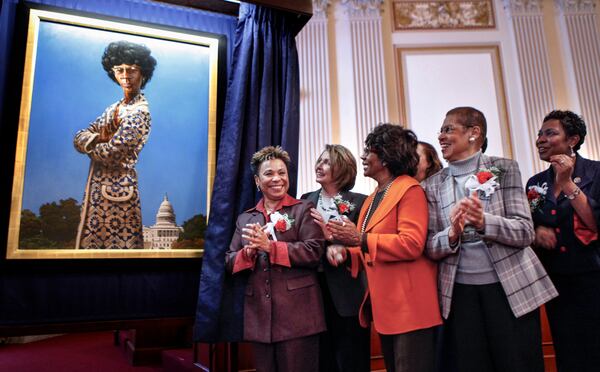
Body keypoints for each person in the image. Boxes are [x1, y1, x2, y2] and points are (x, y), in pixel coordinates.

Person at [422, 106, 557, 372]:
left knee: (517, 363)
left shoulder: (504, 168)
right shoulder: (432, 184)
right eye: (441, 130)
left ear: (474, 133)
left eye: (448, 129)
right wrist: (451, 234)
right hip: (460, 294)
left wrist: (485, 222)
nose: (441, 136)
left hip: (509, 289)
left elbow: (524, 232)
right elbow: (429, 245)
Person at [327, 124, 441, 372]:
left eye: (369, 151)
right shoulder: (373, 196)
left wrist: (360, 240)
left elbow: (411, 244)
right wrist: (345, 253)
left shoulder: (409, 189)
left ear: (387, 156)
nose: (363, 157)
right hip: (388, 308)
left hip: (410, 308)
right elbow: (366, 243)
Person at [225, 146, 326, 372]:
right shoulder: (245, 218)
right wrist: (247, 253)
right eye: (269, 173)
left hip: (299, 316)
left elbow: (313, 252)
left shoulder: (303, 209)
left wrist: (270, 247)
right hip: (259, 317)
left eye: (282, 173)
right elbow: (230, 260)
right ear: (257, 181)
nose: (277, 178)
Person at [526, 110, 600, 372]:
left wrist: (567, 183)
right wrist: (536, 232)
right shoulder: (535, 184)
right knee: (567, 351)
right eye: (539, 133)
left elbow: (595, 223)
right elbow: (530, 224)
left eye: (550, 133)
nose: (540, 139)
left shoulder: (596, 172)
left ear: (573, 139)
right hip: (556, 282)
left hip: (593, 278)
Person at [74, 41, 156, 249]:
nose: (125, 76)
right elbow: (79, 137)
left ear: (143, 74)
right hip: (97, 193)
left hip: (119, 193)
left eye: (132, 70)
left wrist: (95, 143)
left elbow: (112, 154)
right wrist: (96, 139)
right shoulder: (113, 108)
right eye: (119, 70)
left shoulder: (140, 113)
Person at [300, 144, 370, 372]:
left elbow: (365, 243)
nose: (319, 166)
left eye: (326, 162)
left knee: (351, 357)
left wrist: (334, 242)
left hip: (347, 290)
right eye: (319, 161)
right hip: (312, 289)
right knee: (320, 357)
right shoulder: (305, 200)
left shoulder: (361, 202)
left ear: (343, 168)